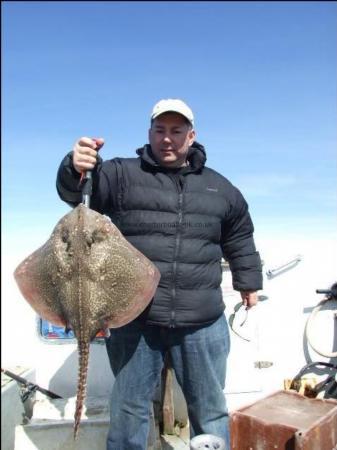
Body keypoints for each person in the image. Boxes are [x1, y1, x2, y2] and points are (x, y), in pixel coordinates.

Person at [56, 98, 263, 450]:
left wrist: (249, 282)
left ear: (192, 135)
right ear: (149, 132)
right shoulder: (122, 174)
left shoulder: (220, 188)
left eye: (176, 131)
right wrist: (74, 164)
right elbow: (77, 192)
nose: (167, 138)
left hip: (201, 320)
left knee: (210, 410)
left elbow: (239, 235)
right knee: (129, 410)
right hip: (135, 317)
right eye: (160, 130)